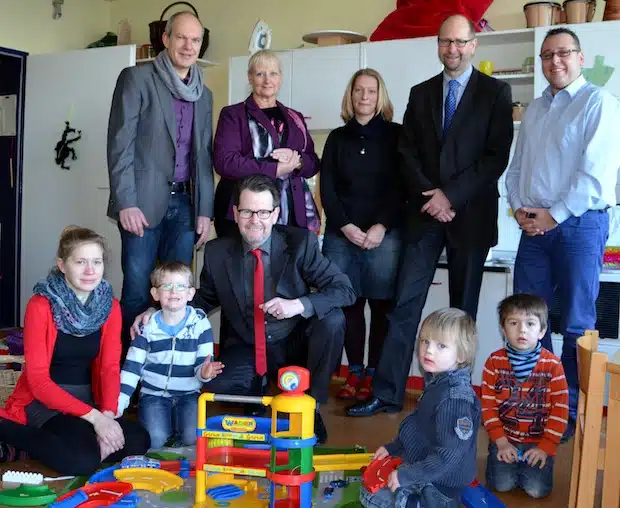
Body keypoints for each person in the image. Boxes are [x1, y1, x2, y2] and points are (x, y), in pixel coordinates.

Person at [349, 13, 513, 417]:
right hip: (423, 217)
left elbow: (496, 157)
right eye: (445, 42)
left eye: (460, 42)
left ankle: (453, 402)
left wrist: (451, 196)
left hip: (471, 216)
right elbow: (406, 153)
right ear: (438, 45)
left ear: (473, 45)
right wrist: (433, 198)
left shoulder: (496, 92)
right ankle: (387, 393)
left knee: (462, 313)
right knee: (405, 305)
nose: (452, 50)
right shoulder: (420, 94)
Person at [134, 174, 356, 444]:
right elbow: (203, 299)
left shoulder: (302, 243)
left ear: (275, 215)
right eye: (248, 211)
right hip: (246, 344)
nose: (255, 220)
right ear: (236, 214)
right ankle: (256, 387)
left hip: (294, 343)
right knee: (212, 383)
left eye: (263, 212)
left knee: (332, 319)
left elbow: (344, 290)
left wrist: (298, 305)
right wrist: (156, 311)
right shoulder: (216, 252)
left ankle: (312, 406)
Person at [505, 27, 620, 438]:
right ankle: (539, 403)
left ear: (580, 57)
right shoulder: (535, 109)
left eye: (564, 53)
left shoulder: (600, 104)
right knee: (527, 322)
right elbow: (516, 170)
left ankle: (571, 414)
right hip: (534, 227)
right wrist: (520, 208)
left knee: (575, 323)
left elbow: (595, 177)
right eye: (548, 54)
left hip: (580, 225)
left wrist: (551, 215)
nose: (556, 61)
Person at [0, 227, 150, 475]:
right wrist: (96, 420)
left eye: (96, 262)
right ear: (62, 265)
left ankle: (43, 448)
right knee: (81, 460)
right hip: (45, 403)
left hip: (88, 404)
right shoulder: (41, 305)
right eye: (80, 262)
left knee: (139, 440)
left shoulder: (110, 307)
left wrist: (108, 416)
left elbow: (110, 368)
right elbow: (38, 382)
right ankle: (7, 429)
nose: (90, 271)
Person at [107, 10, 214, 352]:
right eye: (181, 37)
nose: (188, 46)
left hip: (185, 205)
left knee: (176, 293)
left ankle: (170, 368)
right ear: (165, 39)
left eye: (195, 40)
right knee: (138, 290)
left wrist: (204, 212)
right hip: (141, 204)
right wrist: (126, 202)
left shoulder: (204, 94)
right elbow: (119, 145)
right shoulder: (137, 79)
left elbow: (203, 156)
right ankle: (131, 375)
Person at [321, 68, 404, 402]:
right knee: (347, 306)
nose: (364, 97)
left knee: (383, 306)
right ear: (350, 95)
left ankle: (375, 375)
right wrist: (346, 226)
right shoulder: (337, 139)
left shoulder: (398, 136)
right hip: (343, 236)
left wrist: (380, 225)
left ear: (380, 96)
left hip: (386, 235)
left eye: (371, 91)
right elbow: (327, 189)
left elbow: (403, 188)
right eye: (358, 91)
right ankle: (354, 372)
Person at [360, 308, 480, 508]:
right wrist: (394, 448)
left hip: (440, 485)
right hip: (428, 468)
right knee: (371, 487)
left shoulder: (455, 399)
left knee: (370, 497)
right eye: (425, 341)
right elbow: (419, 428)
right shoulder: (438, 382)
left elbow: (448, 457)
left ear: (461, 355)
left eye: (441, 345)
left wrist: (407, 475)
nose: (429, 350)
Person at [213, 49, 320, 238]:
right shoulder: (233, 115)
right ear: (250, 77)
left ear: (280, 78)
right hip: (246, 215)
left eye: (273, 73)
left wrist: (298, 160)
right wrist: (274, 169)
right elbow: (225, 162)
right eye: (260, 73)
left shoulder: (295, 118)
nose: (267, 80)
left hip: (292, 213)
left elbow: (313, 162)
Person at [117, 261, 223, 449]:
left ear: (190, 293)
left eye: (180, 286)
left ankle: (177, 432)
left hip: (189, 393)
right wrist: (119, 402)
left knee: (193, 438)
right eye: (166, 286)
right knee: (155, 440)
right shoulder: (146, 326)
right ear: (155, 294)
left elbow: (203, 363)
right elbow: (132, 367)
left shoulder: (201, 324)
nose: (174, 292)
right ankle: (169, 431)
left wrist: (204, 373)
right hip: (154, 394)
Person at [482, 294, 568, 499]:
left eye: (530, 323)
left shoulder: (553, 366)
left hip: (538, 443)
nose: (522, 330)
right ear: (503, 329)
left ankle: (526, 468)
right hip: (505, 438)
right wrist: (500, 441)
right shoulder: (493, 362)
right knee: (501, 486)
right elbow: (488, 407)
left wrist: (545, 447)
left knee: (536, 491)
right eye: (514, 323)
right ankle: (504, 465)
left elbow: (560, 411)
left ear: (542, 331)